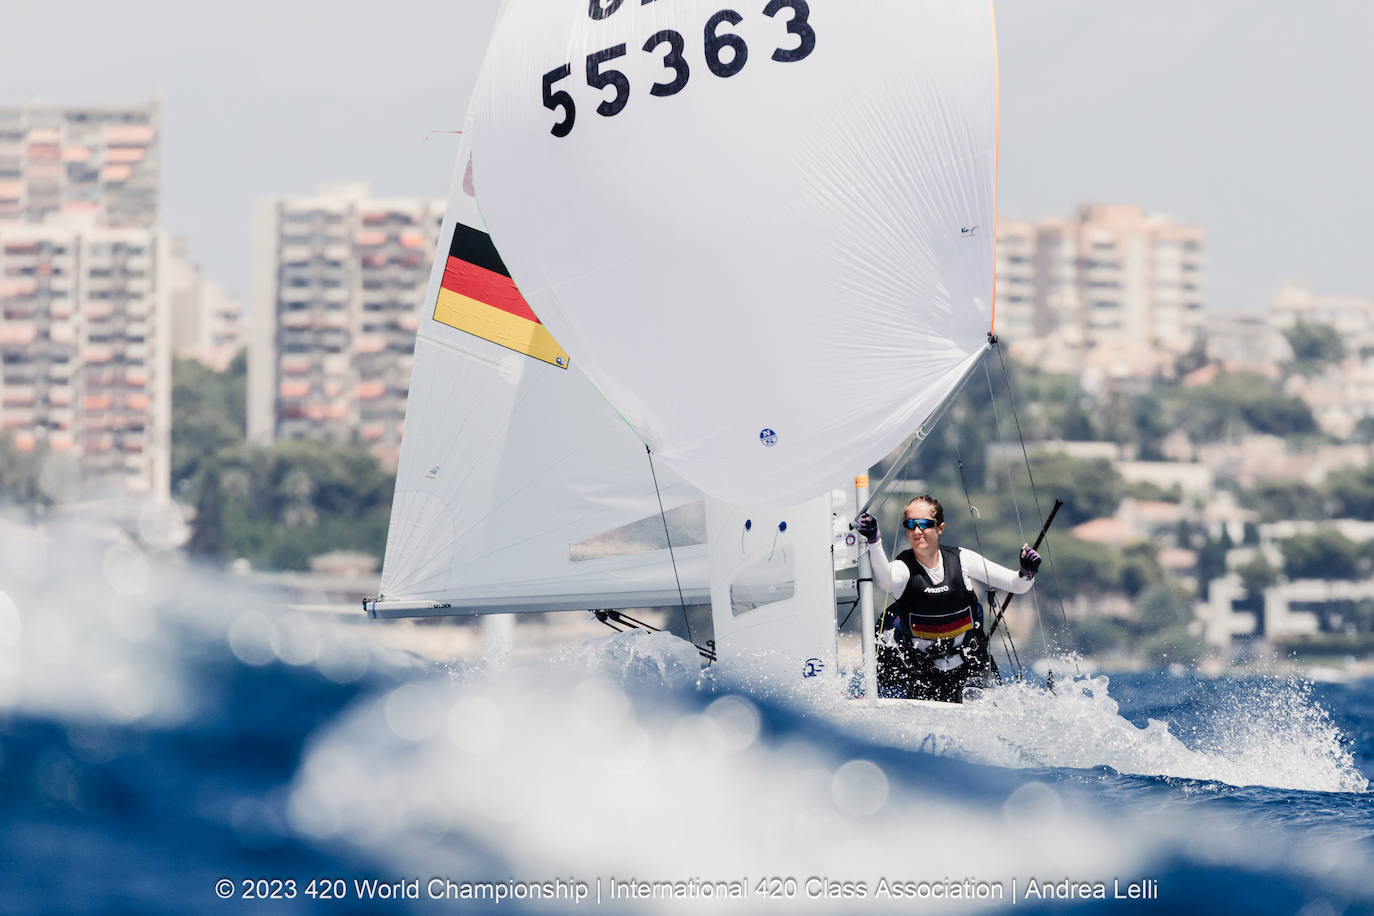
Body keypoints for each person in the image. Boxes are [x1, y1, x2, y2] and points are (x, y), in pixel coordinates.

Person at [855, 495, 1040, 703]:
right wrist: (874, 542)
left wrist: (1027, 572)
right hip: (924, 673)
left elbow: (1016, 584)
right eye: (910, 524)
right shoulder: (903, 567)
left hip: (971, 668)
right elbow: (886, 581)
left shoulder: (962, 559)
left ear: (940, 528)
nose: (917, 531)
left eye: (925, 524)